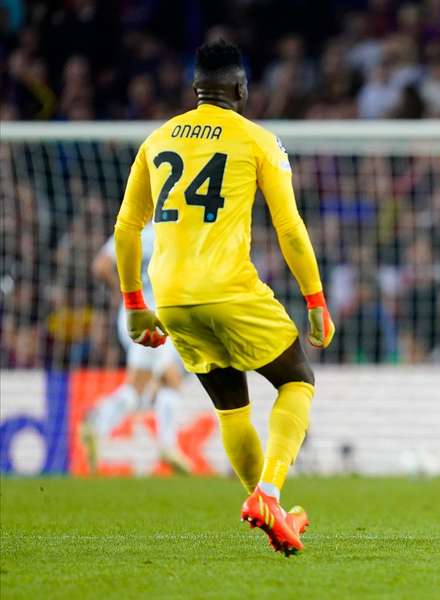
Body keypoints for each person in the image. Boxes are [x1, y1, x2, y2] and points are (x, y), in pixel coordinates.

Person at [113, 40, 334, 556]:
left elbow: (126, 228)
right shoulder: (257, 139)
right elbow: (290, 228)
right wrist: (315, 300)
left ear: (196, 90)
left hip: (170, 297)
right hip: (229, 289)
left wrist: (133, 304)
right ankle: (270, 492)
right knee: (297, 380)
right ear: (241, 89)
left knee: (232, 409)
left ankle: (271, 512)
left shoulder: (156, 139)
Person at [82, 224, 190, 474]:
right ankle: (97, 422)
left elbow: (101, 265)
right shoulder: (173, 231)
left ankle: (167, 445)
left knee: (169, 378)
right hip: (153, 318)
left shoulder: (133, 229)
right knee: (138, 388)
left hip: (131, 312)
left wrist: (122, 293)